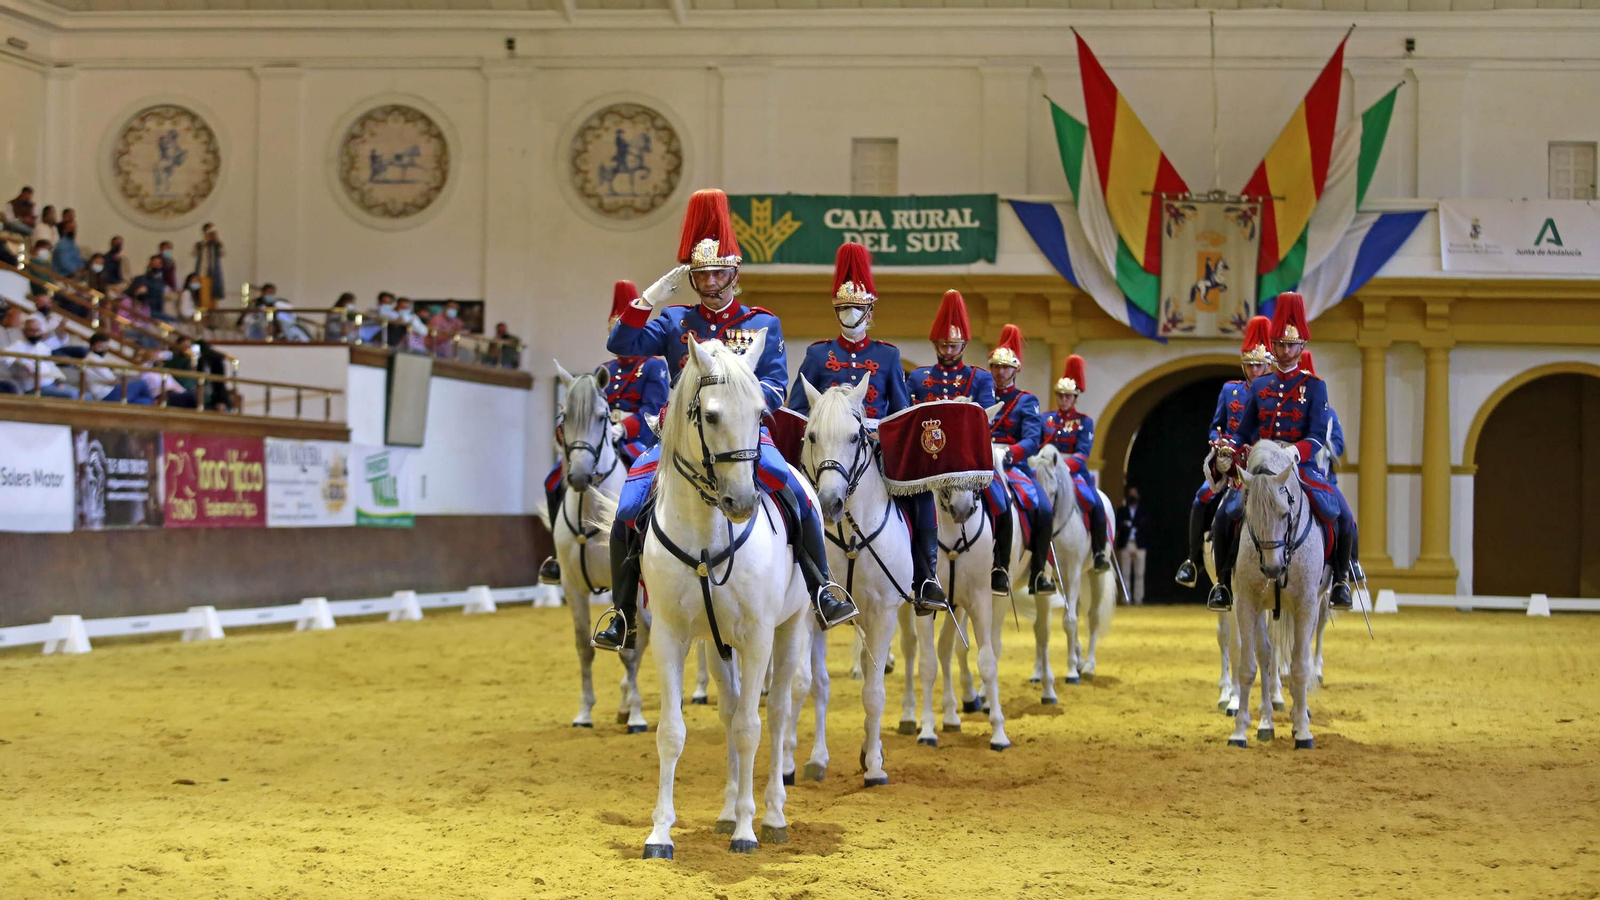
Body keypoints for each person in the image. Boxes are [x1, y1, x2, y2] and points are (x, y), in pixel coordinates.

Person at [592, 188, 859, 652]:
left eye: (718, 272)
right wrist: (652, 296)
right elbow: (621, 343)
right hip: (679, 443)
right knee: (628, 508)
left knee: (797, 494)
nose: (711, 281)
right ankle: (622, 613)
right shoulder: (675, 321)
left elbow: (775, 385)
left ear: (734, 272)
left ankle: (822, 587)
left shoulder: (761, 323)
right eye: (701, 274)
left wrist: (742, 406)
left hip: (744, 438)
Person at [786, 243, 948, 615]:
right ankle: (790, 573)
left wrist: (880, 432)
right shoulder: (817, 354)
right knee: (790, 498)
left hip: (876, 448)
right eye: (843, 307)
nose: (850, 313)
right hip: (829, 451)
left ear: (870, 311)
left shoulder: (887, 355)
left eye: (857, 307)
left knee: (922, 496)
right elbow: (797, 411)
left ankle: (926, 578)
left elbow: (902, 411)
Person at [1210, 293, 1358, 612]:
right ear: (1273, 346)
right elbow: (1243, 431)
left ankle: (1341, 580)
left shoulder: (1314, 386)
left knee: (1341, 512)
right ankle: (1222, 584)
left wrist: (1294, 452)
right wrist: (1228, 450)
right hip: (1262, 467)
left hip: (1298, 466)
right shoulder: (1260, 386)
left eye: (1291, 345)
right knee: (1224, 514)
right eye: (1279, 344)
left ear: (1301, 346)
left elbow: (1317, 436)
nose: (1285, 351)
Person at [539, 281, 671, 585]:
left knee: (654, 484)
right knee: (553, 481)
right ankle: (558, 556)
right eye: (614, 331)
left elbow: (654, 408)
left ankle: (653, 548)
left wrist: (623, 427)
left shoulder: (654, 366)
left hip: (640, 440)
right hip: (602, 439)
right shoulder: (606, 369)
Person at [906, 289, 1016, 593]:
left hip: (966, 461)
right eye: (943, 345)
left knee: (1002, 501)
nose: (948, 350)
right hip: (927, 463)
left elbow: (983, 422)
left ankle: (1000, 566)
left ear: (963, 345)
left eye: (953, 345)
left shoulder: (979, 378)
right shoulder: (918, 378)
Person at [1175, 315, 1273, 592]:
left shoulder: (1275, 395)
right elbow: (1215, 425)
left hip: (1262, 466)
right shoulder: (1230, 390)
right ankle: (1193, 560)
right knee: (1202, 499)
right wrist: (1218, 443)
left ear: (1269, 365)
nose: (1254, 370)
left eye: (1259, 365)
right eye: (1250, 365)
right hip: (1232, 467)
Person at [987, 324, 1057, 595]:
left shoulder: (1026, 401)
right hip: (981, 461)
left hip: (1012, 464)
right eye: (995, 366)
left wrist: (1009, 453)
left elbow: (1031, 439)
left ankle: (1038, 573)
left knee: (1044, 510)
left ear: (1016, 370)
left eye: (1005, 367)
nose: (1000, 372)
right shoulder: (981, 395)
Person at [1042, 355, 1110, 573]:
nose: (1063, 400)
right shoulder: (1046, 419)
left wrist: (1064, 468)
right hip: (1048, 470)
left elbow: (1083, 452)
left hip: (1074, 472)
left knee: (1095, 503)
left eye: (1068, 396)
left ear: (1075, 397)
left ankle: (1098, 552)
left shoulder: (1084, 421)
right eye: (1060, 395)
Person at [6, 317, 79, 398]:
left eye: (37, 330)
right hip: (36, 388)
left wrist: (58, 380)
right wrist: (22, 363)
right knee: (72, 395)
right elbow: (4, 356)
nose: (35, 333)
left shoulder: (42, 346)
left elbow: (51, 365)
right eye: (32, 331)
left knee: (83, 395)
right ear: (24, 331)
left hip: (52, 384)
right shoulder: (18, 345)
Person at [1114, 486, 1151, 604]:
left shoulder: (1143, 511)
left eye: (1135, 494)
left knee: (1140, 574)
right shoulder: (1121, 511)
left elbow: (1146, 525)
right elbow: (1117, 525)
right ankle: (1126, 598)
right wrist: (1126, 525)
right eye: (1131, 494)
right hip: (1126, 545)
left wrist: (1131, 524)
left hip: (1140, 545)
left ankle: (1138, 599)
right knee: (1125, 574)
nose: (1132, 496)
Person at [131, 255, 171, 320]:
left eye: (158, 264)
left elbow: (160, 300)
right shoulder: (140, 279)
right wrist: (138, 292)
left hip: (156, 311)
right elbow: (130, 294)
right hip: (144, 310)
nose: (156, 266)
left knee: (173, 320)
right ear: (150, 265)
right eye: (154, 264)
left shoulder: (160, 282)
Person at [193, 223, 225, 304]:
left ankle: (213, 311)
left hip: (215, 275)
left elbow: (223, 253)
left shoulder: (217, 245)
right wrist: (206, 241)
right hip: (203, 274)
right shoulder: (200, 244)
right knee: (204, 299)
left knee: (214, 299)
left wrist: (217, 239)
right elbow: (194, 254)